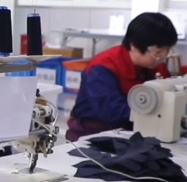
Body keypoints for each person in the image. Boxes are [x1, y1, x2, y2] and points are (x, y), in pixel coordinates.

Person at [66, 12, 177, 142]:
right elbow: (112, 111)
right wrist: (159, 115)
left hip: (133, 131)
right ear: (134, 46)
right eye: (158, 52)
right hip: (92, 133)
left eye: (167, 51)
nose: (162, 58)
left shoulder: (156, 66)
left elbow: (169, 95)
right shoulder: (102, 68)